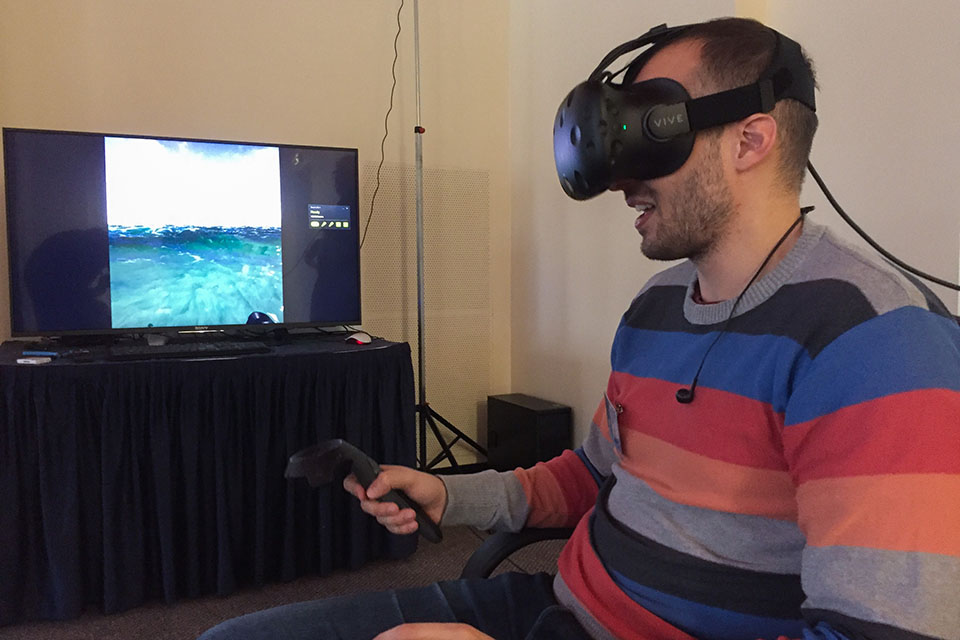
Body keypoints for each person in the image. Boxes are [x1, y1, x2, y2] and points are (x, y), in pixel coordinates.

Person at [199, 17, 960, 640]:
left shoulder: (876, 342)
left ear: (750, 141)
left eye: (646, 135)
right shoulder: (657, 308)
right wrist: (445, 494)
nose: (621, 179)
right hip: (556, 610)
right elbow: (590, 477)